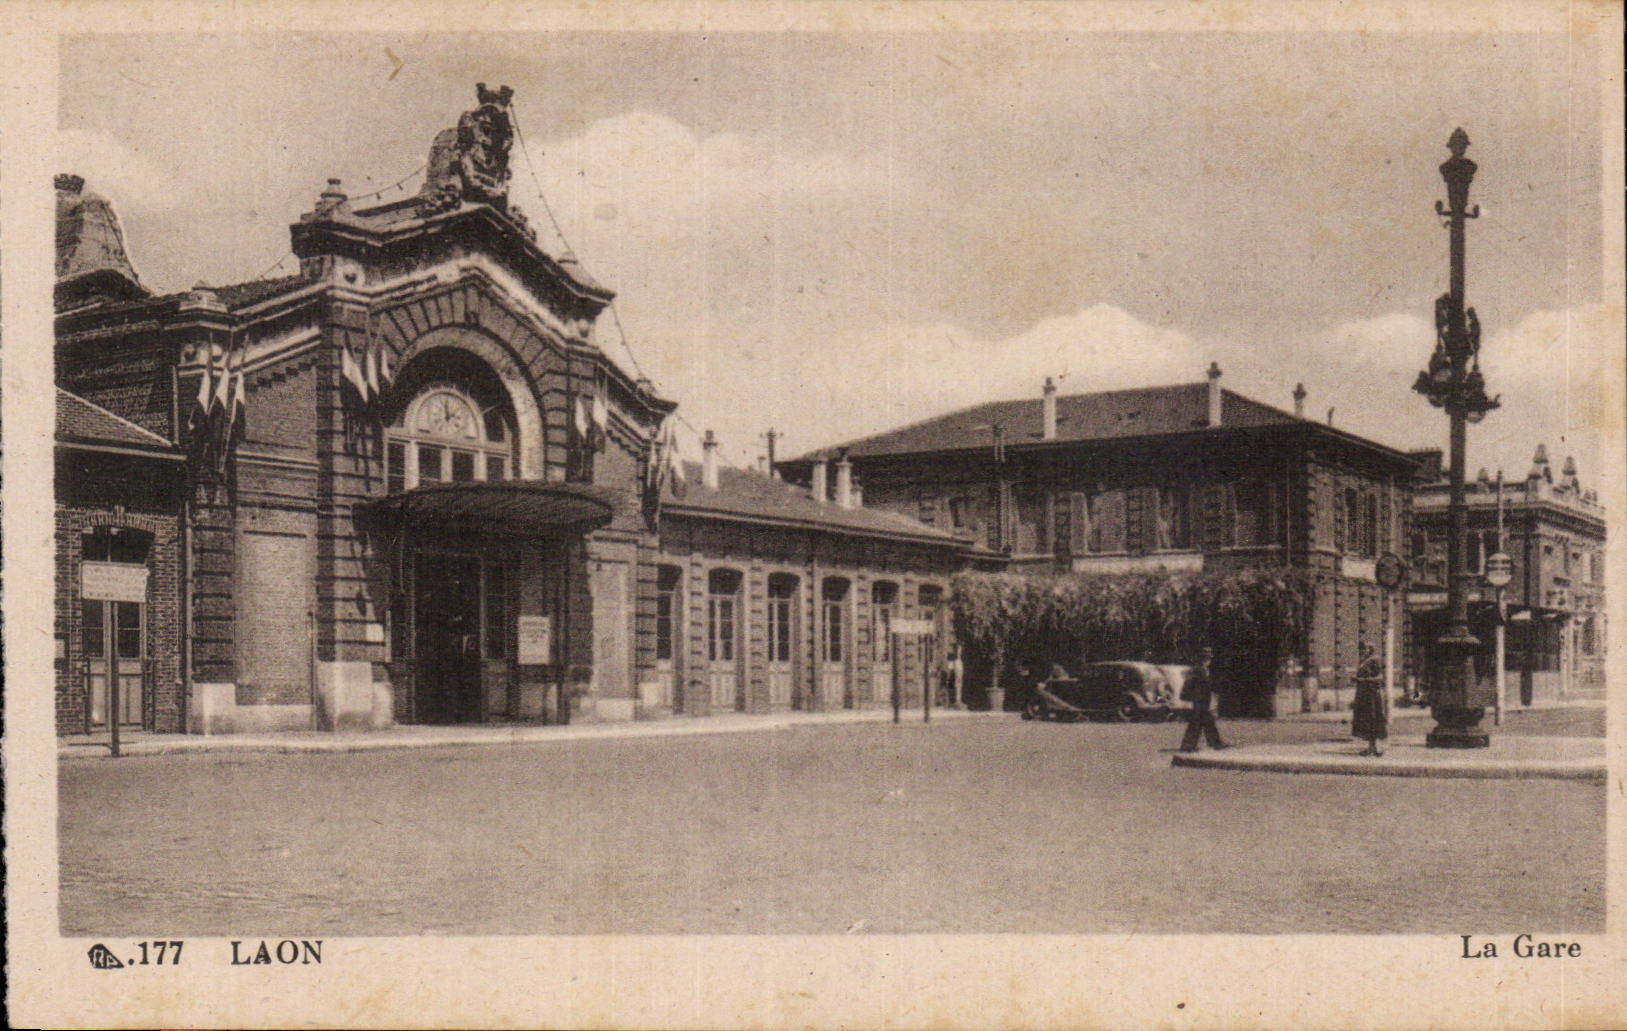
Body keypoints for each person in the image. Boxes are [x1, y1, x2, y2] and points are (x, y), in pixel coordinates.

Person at [1178, 646, 1227, 752]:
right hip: (1199, 701)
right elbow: (1195, 685)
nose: (1209, 658)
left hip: (1202, 700)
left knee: (1206, 722)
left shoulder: (1202, 669)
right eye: (1208, 656)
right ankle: (1189, 746)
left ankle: (1214, 743)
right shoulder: (1198, 669)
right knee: (1198, 723)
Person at [1351, 642, 1388, 756]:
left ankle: (1378, 747)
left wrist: (1360, 680)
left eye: (1365, 648)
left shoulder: (1375, 660)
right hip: (1365, 695)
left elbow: (1379, 678)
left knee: (1374, 718)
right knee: (1367, 720)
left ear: (1370, 649)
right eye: (1361, 649)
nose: (1362, 651)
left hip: (1373, 695)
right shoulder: (1364, 662)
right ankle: (1371, 747)